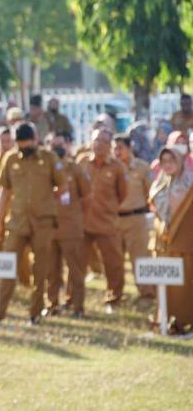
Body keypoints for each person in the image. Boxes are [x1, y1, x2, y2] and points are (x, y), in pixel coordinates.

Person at [0, 123, 66, 324]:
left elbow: (63, 187)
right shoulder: (11, 159)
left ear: (35, 139)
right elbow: (4, 192)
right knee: (7, 267)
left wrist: (47, 201)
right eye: (21, 145)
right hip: (17, 222)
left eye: (27, 145)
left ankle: (35, 314)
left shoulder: (49, 159)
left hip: (43, 222)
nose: (24, 149)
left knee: (40, 269)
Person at [77, 128, 128, 313]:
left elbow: (123, 194)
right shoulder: (82, 162)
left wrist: (109, 208)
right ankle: (73, 299)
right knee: (77, 262)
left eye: (103, 141)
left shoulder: (116, 167)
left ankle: (113, 299)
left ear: (109, 145)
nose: (99, 144)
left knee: (113, 262)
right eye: (96, 140)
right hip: (83, 222)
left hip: (107, 222)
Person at [45, 133, 91, 317]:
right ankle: (52, 304)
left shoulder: (75, 169)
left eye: (60, 144)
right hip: (49, 226)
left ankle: (78, 306)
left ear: (67, 145)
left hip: (71, 227)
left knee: (76, 269)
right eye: (52, 144)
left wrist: (77, 217)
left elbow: (88, 197)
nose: (56, 147)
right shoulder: (43, 169)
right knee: (51, 270)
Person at [149, 147, 193, 334]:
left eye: (172, 160)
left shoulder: (190, 183)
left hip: (186, 244)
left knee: (184, 287)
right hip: (164, 245)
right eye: (164, 161)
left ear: (181, 161)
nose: (168, 165)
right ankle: (165, 320)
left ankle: (185, 322)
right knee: (165, 285)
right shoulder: (159, 185)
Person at [0, 127, 31, 286]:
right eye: (2, 141)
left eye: (8, 141)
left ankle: (25, 281)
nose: (5, 144)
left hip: (15, 207)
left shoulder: (20, 160)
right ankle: (2, 284)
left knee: (19, 247)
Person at [113, 134, 155, 300]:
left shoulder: (142, 168)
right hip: (114, 219)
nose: (117, 152)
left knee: (141, 258)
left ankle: (147, 293)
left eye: (120, 148)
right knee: (115, 259)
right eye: (114, 148)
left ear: (130, 148)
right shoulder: (111, 167)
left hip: (135, 218)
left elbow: (150, 192)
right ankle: (115, 294)